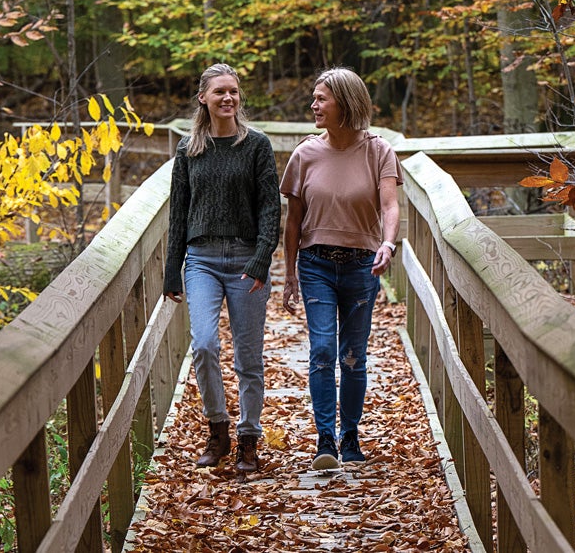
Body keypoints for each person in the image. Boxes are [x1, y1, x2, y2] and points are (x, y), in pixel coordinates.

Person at [280, 67, 401, 470]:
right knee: (321, 351)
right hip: (316, 264)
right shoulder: (306, 154)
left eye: (321, 99)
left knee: (352, 356)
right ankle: (325, 441)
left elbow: (389, 205)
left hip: (362, 268)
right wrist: (290, 273)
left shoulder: (378, 150)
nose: (313, 105)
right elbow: (293, 221)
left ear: (345, 104)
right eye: (314, 98)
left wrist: (387, 242)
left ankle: (351, 436)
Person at [164, 64, 281, 474]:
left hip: (247, 259)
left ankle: (249, 437)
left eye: (233, 91)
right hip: (202, 261)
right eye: (220, 93)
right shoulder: (188, 150)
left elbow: (270, 207)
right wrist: (170, 270)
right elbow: (179, 214)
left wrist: (262, 259)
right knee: (205, 344)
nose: (228, 98)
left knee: (249, 357)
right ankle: (218, 429)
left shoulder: (256, 145)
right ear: (204, 98)